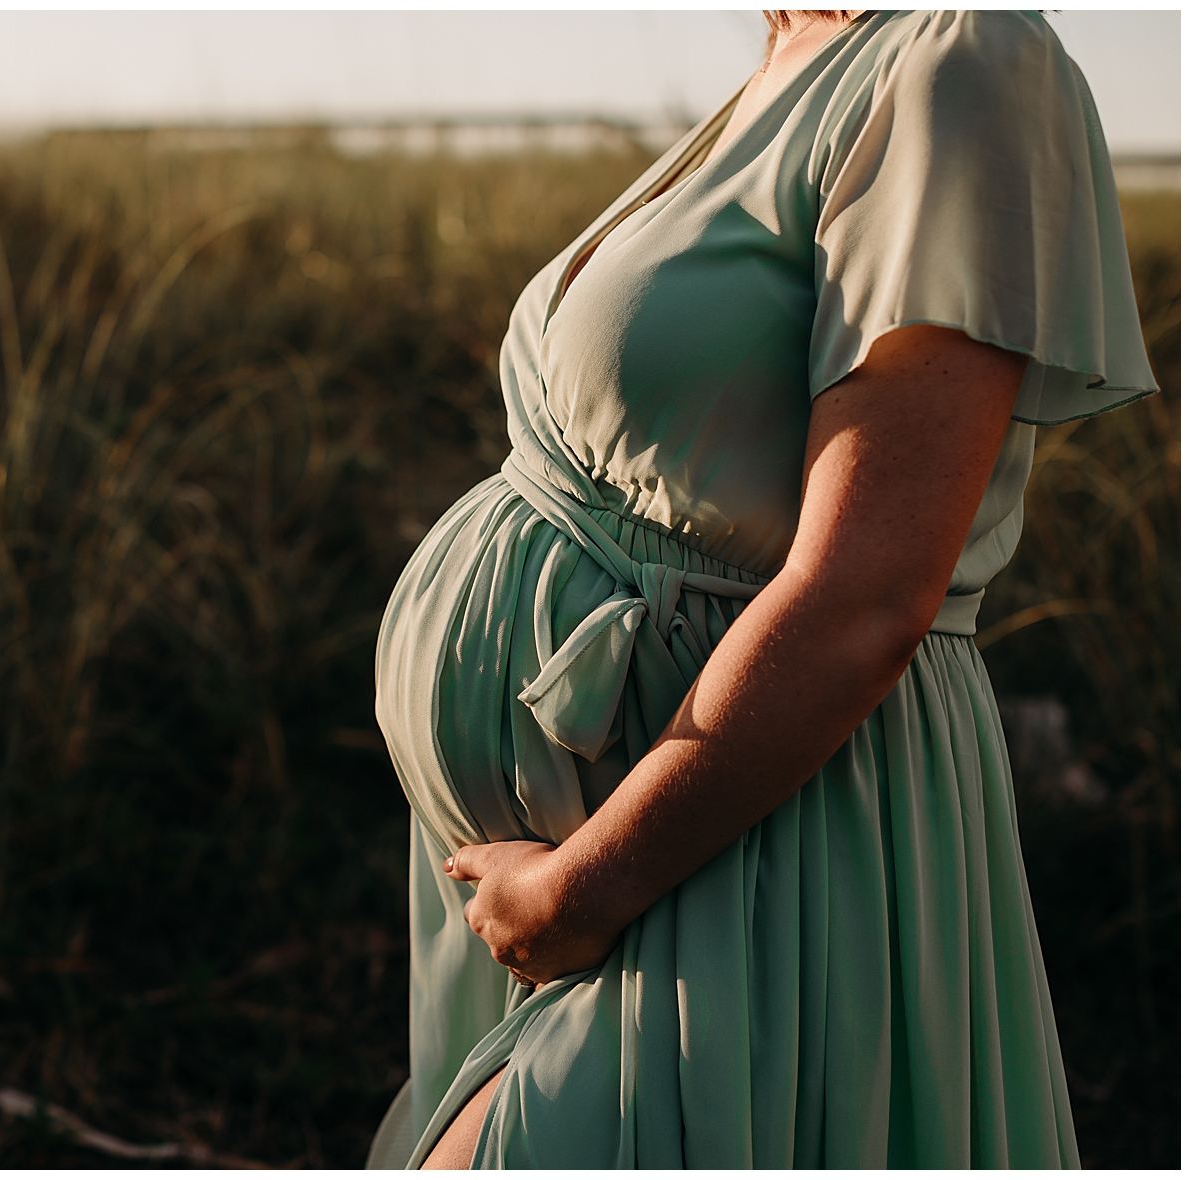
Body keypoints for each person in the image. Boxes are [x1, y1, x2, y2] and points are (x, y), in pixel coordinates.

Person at [367, 10, 1157, 1169]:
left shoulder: (966, 55)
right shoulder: (792, 61)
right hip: (613, 859)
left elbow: (869, 590)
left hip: (748, 843)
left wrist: (588, 885)